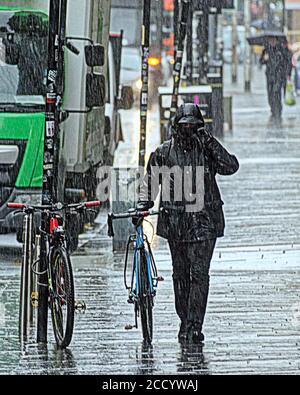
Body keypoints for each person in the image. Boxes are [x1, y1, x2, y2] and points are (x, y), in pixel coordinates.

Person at [136, 103, 239, 344]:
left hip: (204, 222)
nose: (188, 131)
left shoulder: (206, 149)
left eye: (193, 126)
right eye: (184, 126)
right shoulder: (163, 152)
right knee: (180, 274)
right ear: (176, 127)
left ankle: (195, 324)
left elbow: (230, 166)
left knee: (199, 274)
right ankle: (185, 320)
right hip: (176, 223)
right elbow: (150, 184)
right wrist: (142, 206)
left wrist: (210, 142)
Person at [259, 37, 293, 126]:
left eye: (273, 40)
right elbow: (261, 62)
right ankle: (273, 109)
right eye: (270, 40)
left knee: (276, 92)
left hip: (280, 76)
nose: (272, 42)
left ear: (277, 40)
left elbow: (288, 61)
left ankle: (278, 111)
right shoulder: (266, 49)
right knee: (270, 94)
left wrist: (288, 73)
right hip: (269, 75)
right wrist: (264, 59)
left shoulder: (282, 49)